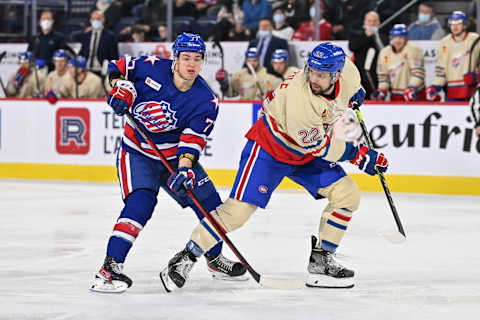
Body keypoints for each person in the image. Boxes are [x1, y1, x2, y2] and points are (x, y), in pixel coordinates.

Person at [160, 42, 383, 292]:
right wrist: (358, 155)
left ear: (337, 74)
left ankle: (322, 261)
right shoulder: (301, 98)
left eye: (322, 75)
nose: (314, 78)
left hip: (304, 151)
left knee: (347, 194)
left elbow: (351, 87)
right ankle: (185, 257)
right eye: (312, 71)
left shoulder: (349, 71)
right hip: (271, 148)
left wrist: (356, 92)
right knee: (237, 212)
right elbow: (320, 147)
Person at [90, 33, 247, 294]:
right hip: (138, 152)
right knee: (141, 202)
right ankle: (109, 268)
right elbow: (116, 67)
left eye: (197, 59)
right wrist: (119, 86)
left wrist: (185, 168)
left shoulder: (205, 100)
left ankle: (215, 259)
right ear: (175, 58)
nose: (192, 64)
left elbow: (191, 140)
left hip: (175, 158)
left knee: (211, 207)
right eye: (186, 57)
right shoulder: (150, 67)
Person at [427, 11, 480, 102]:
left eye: (458, 23)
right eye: (452, 23)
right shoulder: (444, 42)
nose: (455, 27)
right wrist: (435, 87)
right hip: (452, 93)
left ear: (465, 25)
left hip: (473, 92)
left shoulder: (475, 40)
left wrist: (476, 75)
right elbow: (441, 70)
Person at [373, 24, 426, 101]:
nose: (397, 40)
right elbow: (384, 77)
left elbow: (418, 74)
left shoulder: (414, 50)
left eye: (401, 37)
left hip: (416, 94)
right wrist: (382, 90)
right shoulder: (384, 53)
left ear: (406, 39)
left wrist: (411, 87)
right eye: (395, 37)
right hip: (395, 95)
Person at [349, 11, 388, 99]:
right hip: (364, 76)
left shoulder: (384, 36)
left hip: (382, 74)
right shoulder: (357, 34)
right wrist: (366, 36)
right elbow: (352, 46)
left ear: (379, 22)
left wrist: (376, 37)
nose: (372, 24)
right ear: (365, 22)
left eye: (374, 21)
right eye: (369, 21)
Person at [215, 47, 281, 100]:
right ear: (246, 61)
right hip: (244, 108)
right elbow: (230, 93)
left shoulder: (267, 74)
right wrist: (224, 84)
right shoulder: (239, 75)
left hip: (260, 108)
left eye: (255, 60)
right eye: (249, 60)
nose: (252, 63)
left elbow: (280, 90)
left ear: (259, 60)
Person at [79, 10, 119, 77]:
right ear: (90, 20)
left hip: (101, 70)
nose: (95, 21)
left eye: (98, 19)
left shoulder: (110, 36)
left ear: (103, 20)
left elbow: (114, 57)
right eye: (93, 19)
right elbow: (82, 53)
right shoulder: (86, 36)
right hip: (86, 70)